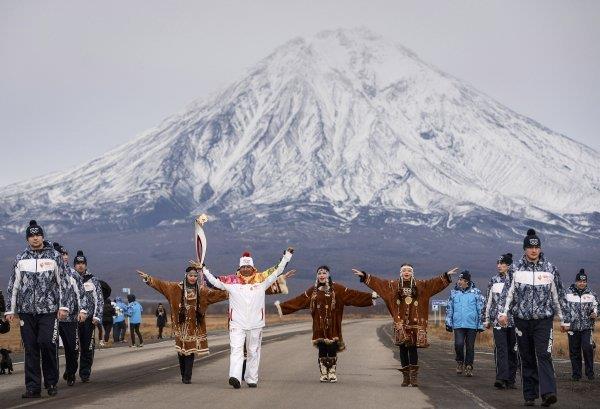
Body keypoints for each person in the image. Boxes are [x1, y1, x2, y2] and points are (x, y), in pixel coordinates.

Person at [202, 248, 293, 389]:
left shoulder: (262, 280)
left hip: (256, 323)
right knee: (236, 349)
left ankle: (251, 378)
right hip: (237, 324)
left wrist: (286, 256)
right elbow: (213, 282)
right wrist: (203, 268)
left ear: (253, 268)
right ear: (239, 268)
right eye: (243, 267)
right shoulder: (231, 281)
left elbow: (278, 269)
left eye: (248, 267)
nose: (245, 269)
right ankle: (235, 377)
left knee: (253, 351)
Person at [353, 264, 457, 387]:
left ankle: (414, 378)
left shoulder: (421, 285)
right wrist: (365, 277)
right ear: (400, 273)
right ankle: (406, 377)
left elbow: (433, 284)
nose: (406, 272)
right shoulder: (393, 286)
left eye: (409, 270)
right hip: (400, 323)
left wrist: (446, 276)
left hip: (415, 323)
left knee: (412, 349)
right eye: (404, 270)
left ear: (412, 273)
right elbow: (379, 284)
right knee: (402, 349)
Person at [498, 229, 569, 407]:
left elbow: (558, 295)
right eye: (530, 247)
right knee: (527, 356)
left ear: (540, 248)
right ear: (525, 249)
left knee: (544, 354)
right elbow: (507, 293)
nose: (533, 250)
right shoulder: (515, 269)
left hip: (543, 320)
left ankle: (548, 393)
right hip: (521, 320)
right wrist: (502, 313)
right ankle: (530, 395)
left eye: (536, 247)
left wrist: (564, 319)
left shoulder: (550, 269)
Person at [275, 265, 376, 382]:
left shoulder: (337, 289)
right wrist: (282, 307)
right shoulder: (313, 291)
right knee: (322, 348)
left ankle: (332, 372)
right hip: (319, 326)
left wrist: (371, 296)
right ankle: (323, 373)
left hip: (333, 325)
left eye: (324, 273)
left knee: (332, 347)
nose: (321, 275)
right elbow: (299, 300)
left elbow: (353, 295)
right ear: (317, 276)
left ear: (328, 275)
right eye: (319, 273)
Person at [4, 220, 70, 398]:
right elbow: (13, 285)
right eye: (31, 236)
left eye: (37, 235)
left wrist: (63, 306)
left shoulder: (54, 256)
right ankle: (33, 387)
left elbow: (63, 283)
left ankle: (51, 382)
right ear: (27, 239)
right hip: (26, 311)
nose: (35, 238)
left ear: (42, 236)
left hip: (49, 310)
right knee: (31, 348)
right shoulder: (21, 258)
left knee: (47, 343)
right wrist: (10, 310)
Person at [137, 265, 228, 383]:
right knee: (181, 351)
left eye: (195, 276)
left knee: (190, 350)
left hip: (194, 325)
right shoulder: (175, 288)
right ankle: (183, 374)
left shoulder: (201, 290)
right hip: (180, 324)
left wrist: (233, 291)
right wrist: (148, 279)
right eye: (191, 275)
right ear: (186, 275)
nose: (193, 278)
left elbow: (216, 295)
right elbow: (161, 285)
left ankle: (187, 376)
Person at [481, 253, 518, 389]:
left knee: (512, 350)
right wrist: (486, 319)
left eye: (502, 263)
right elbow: (488, 301)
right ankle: (501, 378)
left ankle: (511, 379)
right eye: (498, 263)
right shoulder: (494, 280)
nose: (499, 266)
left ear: (508, 265)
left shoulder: (517, 279)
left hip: (514, 322)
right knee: (501, 349)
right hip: (497, 322)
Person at [53, 243, 87, 387]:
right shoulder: (48, 272)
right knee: (50, 348)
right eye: (62, 254)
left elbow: (82, 294)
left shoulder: (73, 274)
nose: (65, 257)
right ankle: (51, 377)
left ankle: (71, 372)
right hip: (52, 318)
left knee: (72, 348)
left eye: (66, 254)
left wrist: (82, 311)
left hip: (70, 318)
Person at [445, 270, 484, 377]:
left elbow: (481, 309)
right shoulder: (454, 293)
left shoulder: (476, 293)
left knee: (470, 346)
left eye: (461, 280)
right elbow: (449, 309)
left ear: (467, 281)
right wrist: (448, 323)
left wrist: (481, 324)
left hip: (472, 325)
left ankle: (469, 366)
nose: (459, 281)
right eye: (459, 279)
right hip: (458, 324)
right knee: (458, 344)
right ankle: (460, 361)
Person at [73, 250, 103, 382]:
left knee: (87, 347)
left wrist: (97, 316)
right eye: (78, 263)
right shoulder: (70, 278)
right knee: (72, 347)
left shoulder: (93, 280)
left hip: (89, 320)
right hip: (73, 319)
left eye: (82, 263)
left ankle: (85, 373)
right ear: (74, 265)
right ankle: (70, 371)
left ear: (86, 265)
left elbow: (99, 300)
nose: (80, 265)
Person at [564, 269, 597, 381]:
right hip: (572, 327)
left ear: (586, 282)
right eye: (580, 281)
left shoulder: (591, 294)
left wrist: (595, 313)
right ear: (576, 281)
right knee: (574, 350)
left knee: (587, 348)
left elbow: (597, 306)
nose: (582, 283)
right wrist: (565, 323)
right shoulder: (568, 293)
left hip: (587, 327)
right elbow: (563, 308)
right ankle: (576, 374)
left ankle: (590, 373)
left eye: (584, 281)